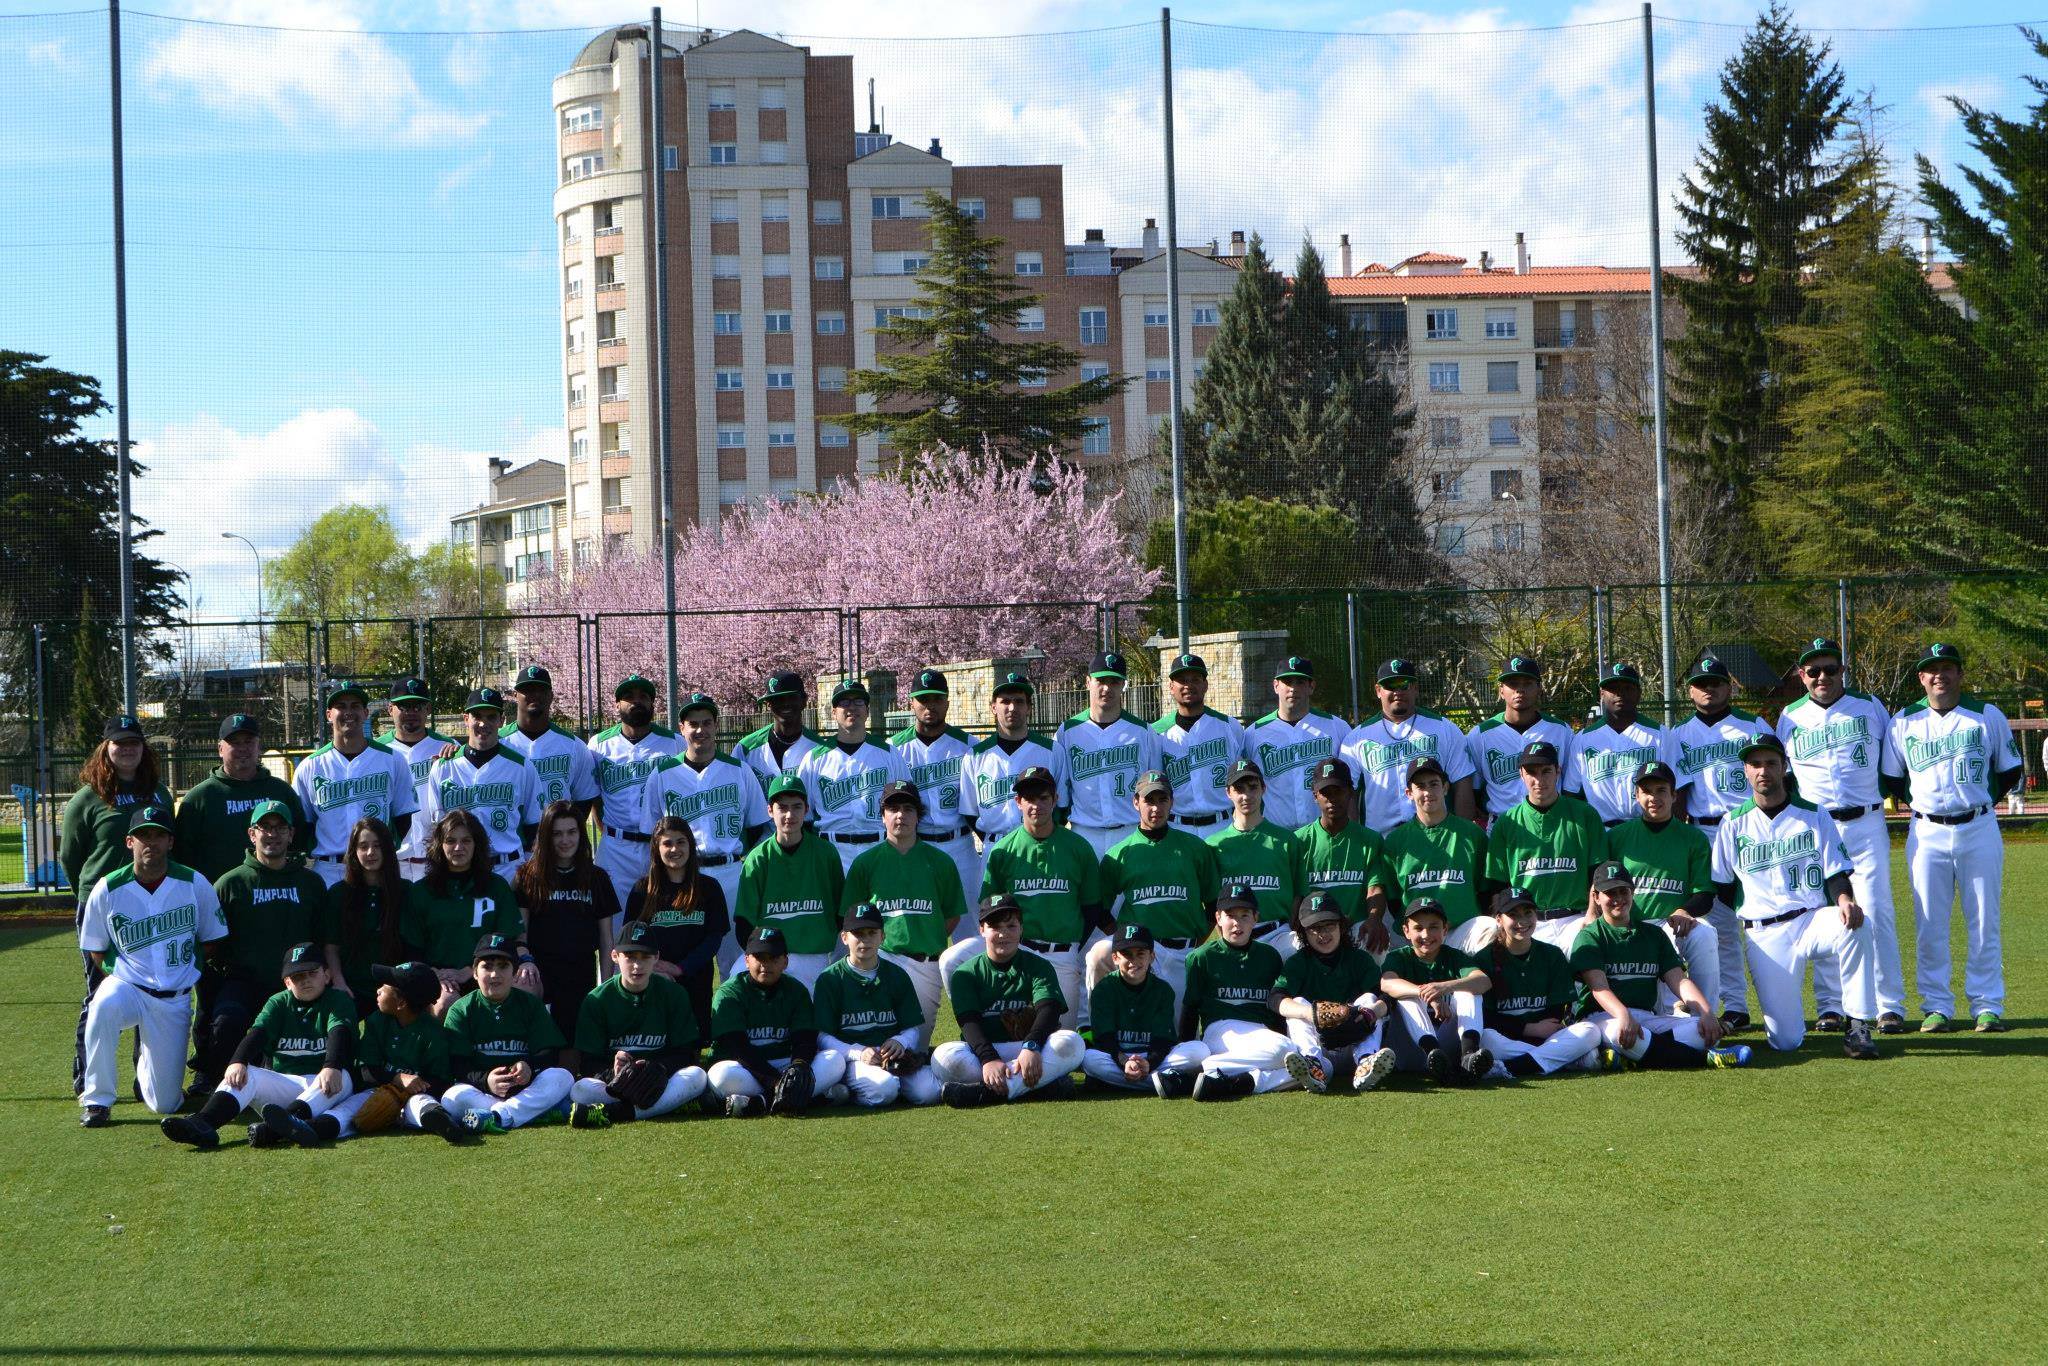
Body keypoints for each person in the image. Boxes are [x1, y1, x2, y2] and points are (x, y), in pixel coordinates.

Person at [1882, 641, 2024, 1034]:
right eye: (1931, 669)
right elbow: (1893, 778)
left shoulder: (1985, 715)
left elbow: (2010, 769)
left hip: (1979, 826)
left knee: (1984, 920)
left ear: (1960, 673)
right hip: (1926, 830)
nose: (1939, 675)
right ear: (1921, 678)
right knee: (1929, 922)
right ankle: (1937, 1007)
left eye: (1947, 668)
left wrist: (1978, 802)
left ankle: (1987, 1005)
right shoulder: (1904, 721)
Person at [1711, 733, 1880, 1059]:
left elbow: (1835, 872)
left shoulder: (1815, 814)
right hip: (1765, 933)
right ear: (1745, 770)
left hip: (1810, 918)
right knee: (1786, 1041)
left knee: (1857, 924)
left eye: (1771, 763)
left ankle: (1857, 1025)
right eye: (1755, 764)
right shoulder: (1732, 823)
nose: (1763, 771)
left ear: (1784, 766)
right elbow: (1722, 885)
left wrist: (1844, 899)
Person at [1774, 637, 1898, 1034]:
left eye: (1830, 668)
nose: (1822, 676)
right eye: (1813, 670)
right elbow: (1784, 776)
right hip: (1817, 827)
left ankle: (1888, 1005)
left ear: (1843, 670)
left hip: (1866, 821)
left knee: (1876, 910)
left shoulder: (1870, 706)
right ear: (1801, 675)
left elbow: (1894, 765)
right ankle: (1830, 1005)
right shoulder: (1789, 716)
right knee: (1823, 912)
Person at [76, 804, 228, 1127]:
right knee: (102, 1006)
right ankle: (97, 1099)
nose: (151, 843)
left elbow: (212, 939)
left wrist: (190, 967)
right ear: (129, 842)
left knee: (165, 1104)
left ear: (170, 842)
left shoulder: (193, 883)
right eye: (143, 836)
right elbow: (97, 950)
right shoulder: (108, 888)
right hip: (128, 987)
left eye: (159, 835)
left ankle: (148, 1062)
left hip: (174, 997)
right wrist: (124, 975)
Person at [61, 714, 174, 1096]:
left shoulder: (158, 794)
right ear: (105, 749)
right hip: (105, 906)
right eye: (119, 743)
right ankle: (88, 1079)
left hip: (153, 903)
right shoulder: (87, 798)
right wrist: (96, 893)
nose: (127, 749)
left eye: (134, 743)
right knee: (101, 990)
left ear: (144, 749)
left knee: (153, 987)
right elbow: (71, 857)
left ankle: (147, 1079)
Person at [193, 799, 327, 1100]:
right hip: (244, 981)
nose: (273, 834)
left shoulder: (310, 883)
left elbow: (324, 938)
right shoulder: (231, 883)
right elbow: (211, 943)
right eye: (265, 828)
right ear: (252, 834)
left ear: (292, 834)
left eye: (280, 828)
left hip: (298, 984)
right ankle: (219, 1079)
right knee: (226, 1022)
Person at [162, 942, 356, 1150]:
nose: (306, 980)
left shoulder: (337, 999)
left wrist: (331, 1065)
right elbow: (258, 1034)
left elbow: (339, 1032)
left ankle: (284, 1124)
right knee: (247, 1074)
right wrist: (238, 1061)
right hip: (286, 1084)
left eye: (312, 973)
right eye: (298, 976)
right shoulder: (279, 1002)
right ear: (287, 982)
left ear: (327, 975)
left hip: (327, 1087)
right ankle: (203, 1124)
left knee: (342, 1075)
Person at [958, 764, 1103, 1029]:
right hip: (1017, 954)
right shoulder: (1002, 851)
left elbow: (1092, 907)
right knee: (1011, 1032)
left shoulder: (1079, 847)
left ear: (1056, 799)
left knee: (1062, 1038)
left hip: (1061, 953)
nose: (1036, 805)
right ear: (1018, 802)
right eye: (1028, 799)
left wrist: (1072, 946)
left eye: (1043, 798)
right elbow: (989, 909)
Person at [1669, 655, 1769, 1022]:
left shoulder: (1752, 725)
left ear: (1729, 686)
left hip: (1748, 828)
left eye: (1715, 682)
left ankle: (1769, 998)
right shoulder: (1678, 734)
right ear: (1690, 690)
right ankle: (1736, 1006)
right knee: (1720, 921)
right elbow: (1677, 792)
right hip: (1701, 830)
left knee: (1762, 915)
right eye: (1701, 683)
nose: (1708, 688)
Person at [641, 690, 769, 975]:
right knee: (682, 956)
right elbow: (651, 831)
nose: (700, 730)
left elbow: (757, 825)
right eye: (693, 723)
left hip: (730, 872)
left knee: (735, 958)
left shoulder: (739, 770)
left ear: (716, 725)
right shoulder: (662, 773)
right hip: (681, 876)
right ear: (682, 728)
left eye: (707, 722)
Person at [1571, 861, 1740, 1070]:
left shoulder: (1653, 935)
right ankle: (1703, 1059)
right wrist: (1623, 1015)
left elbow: (1679, 981)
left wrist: (1705, 1012)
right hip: (1603, 1017)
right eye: (1610, 893)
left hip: (1646, 1017)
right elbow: (1599, 989)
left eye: (1623, 891)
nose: (1618, 899)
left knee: (1704, 1031)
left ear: (1632, 892)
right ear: (1596, 897)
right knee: (1620, 1033)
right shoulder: (1590, 936)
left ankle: (1627, 1056)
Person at [842, 779, 966, 1045]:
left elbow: (952, 915)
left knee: (916, 1051)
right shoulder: (866, 863)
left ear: (918, 815)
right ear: (883, 816)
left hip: (925, 964)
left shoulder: (941, 862)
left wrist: (924, 937)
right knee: (877, 1047)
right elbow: (851, 918)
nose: (900, 815)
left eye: (908, 809)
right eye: (893, 808)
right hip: (881, 962)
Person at [932, 895, 1085, 1107]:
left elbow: (1049, 1010)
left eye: (1011, 926)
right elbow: (969, 1023)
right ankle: (1041, 1086)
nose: (1003, 933)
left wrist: (1032, 1046)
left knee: (1072, 1042)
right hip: (983, 1051)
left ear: (1021, 929)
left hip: (1026, 1048)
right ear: (982, 930)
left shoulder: (1038, 966)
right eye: (995, 926)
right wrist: (989, 1059)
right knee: (943, 1057)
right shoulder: (965, 973)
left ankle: (986, 1093)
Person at [1089, 771, 1220, 1013]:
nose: (1156, 808)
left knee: (1178, 1036)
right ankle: (1095, 1026)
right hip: (1137, 952)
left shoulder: (1195, 848)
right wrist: (1124, 939)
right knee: (1097, 954)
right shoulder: (1120, 853)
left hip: (1182, 951)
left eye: (1162, 800)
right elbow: (1100, 910)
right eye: (1149, 800)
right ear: (1136, 802)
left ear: (1172, 802)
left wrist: (1196, 943)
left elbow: (1214, 906)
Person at [1167, 883, 1307, 1101]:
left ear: (1255, 918)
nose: (1236, 923)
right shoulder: (1201, 957)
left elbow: (1274, 1008)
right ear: (1218, 918)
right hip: (1220, 1030)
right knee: (1286, 1051)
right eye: (1230, 915)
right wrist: (1187, 1049)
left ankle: (1235, 1081)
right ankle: (1207, 1066)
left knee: (1305, 1068)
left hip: (1260, 1033)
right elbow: (1191, 1007)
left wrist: (1278, 1033)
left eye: (1244, 915)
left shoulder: (1269, 956)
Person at [1602, 761, 1723, 1011]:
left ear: (1674, 795)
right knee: (1657, 1010)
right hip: (1632, 926)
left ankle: (1706, 1018)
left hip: (1674, 924)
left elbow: (1705, 894)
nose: (1654, 798)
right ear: (1636, 796)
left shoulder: (1693, 837)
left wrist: (1684, 911)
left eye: (1661, 790)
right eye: (1647, 791)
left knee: (1705, 934)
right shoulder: (1617, 836)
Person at [566, 922, 709, 1127]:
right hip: (617, 1085)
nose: (637, 965)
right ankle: (668, 1105)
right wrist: (613, 1072)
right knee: (580, 1090)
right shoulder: (597, 1000)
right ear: (615, 956)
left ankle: (621, 1113)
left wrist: (658, 1068)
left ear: (656, 958)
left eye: (645, 957)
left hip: (662, 1081)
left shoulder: (674, 994)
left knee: (697, 1076)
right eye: (630, 956)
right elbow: (588, 1063)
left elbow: (686, 1053)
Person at [438, 933, 576, 1135]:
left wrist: (530, 1066)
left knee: (562, 1076)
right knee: (452, 1097)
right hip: (483, 1092)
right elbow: (457, 1065)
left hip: (525, 1089)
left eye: (503, 966)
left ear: (515, 972)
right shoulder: (461, 1009)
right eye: (487, 966)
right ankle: (527, 1113)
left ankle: (496, 1117)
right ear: (475, 972)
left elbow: (549, 1053)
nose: (495, 974)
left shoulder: (530, 1005)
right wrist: (486, 1080)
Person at [958, 670, 1064, 923]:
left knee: (1040, 920)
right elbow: (970, 812)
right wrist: (995, 840)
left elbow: (1061, 805)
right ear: (993, 707)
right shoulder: (975, 755)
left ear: (1029, 707)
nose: (1012, 707)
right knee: (989, 923)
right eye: (1005, 701)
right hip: (994, 847)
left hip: (1041, 848)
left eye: (1019, 701)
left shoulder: (1051, 750)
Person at [706, 927, 846, 1117]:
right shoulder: (730, 992)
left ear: (785, 961)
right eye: (760, 957)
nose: (766, 964)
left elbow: (804, 1039)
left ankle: (760, 1103)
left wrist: (798, 1067)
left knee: (835, 1060)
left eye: (774, 958)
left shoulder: (796, 990)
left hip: (784, 1064)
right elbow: (737, 1048)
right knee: (719, 1076)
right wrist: (776, 1082)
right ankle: (811, 1098)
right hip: (745, 1068)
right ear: (747, 960)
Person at [321, 961, 468, 1143]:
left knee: (422, 1104)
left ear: (401, 1002)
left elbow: (442, 1081)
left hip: (417, 1094)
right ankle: (319, 1126)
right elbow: (367, 1072)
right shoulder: (376, 1021)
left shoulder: (433, 1032)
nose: (378, 990)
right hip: (378, 1088)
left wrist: (408, 1091)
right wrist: (397, 1079)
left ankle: (441, 1122)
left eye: (385, 986)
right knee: (350, 1107)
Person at [292, 680, 419, 889]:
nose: (348, 712)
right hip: (330, 869)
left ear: (366, 713)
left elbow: (403, 816)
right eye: (341, 706)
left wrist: (382, 850)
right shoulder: (310, 766)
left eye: (355, 706)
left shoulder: (392, 760)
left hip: (376, 867)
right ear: (328, 715)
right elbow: (303, 824)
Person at [1481, 741, 1606, 952]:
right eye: (1532, 772)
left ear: (1558, 771)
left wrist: (1592, 915)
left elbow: (1598, 873)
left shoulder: (1585, 814)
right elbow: (1497, 885)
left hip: (1575, 918)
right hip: (1527, 923)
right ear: (1521, 773)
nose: (1539, 780)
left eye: (1546, 771)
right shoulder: (1507, 822)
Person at [400, 811, 527, 1017]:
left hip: (488, 972)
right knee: (447, 1003)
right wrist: (434, 974)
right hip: (439, 979)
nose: (459, 847)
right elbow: (412, 949)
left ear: (477, 844)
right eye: (451, 841)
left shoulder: (496, 887)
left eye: (466, 840)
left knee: (529, 987)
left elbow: (509, 941)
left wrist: (469, 971)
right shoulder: (421, 892)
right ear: (439, 845)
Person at [812, 903, 941, 1107]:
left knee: (929, 1093)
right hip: (851, 1060)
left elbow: (912, 1028)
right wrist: (858, 1053)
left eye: (872, 933)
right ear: (844, 937)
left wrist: (901, 1041)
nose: (865, 940)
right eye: (858, 933)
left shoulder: (897, 975)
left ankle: (867, 1088)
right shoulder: (830, 979)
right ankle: (842, 1088)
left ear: (882, 936)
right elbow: (822, 1036)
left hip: (892, 1057)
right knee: (884, 1089)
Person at [513, 801, 620, 1042]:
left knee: (573, 1046)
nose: (565, 840)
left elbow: (606, 939)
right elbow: (521, 933)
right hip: (539, 970)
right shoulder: (526, 876)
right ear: (545, 836)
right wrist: (526, 961)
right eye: (557, 833)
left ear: (581, 834)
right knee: (543, 1042)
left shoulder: (597, 878)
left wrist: (606, 986)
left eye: (572, 832)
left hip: (580, 970)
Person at [1272, 892, 1398, 1095]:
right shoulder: (1298, 962)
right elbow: (1276, 998)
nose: (1323, 934)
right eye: (1315, 928)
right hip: (1321, 1049)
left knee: (1369, 999)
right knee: (1296, 1003)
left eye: (1329, 925)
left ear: (1341, 925)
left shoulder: (1359, 959)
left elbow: (1387, 997)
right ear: (1303, 932)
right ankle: (1313, 1066)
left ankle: (1367, 1063)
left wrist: (1370, 1013)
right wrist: (1310, 1013)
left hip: (1354, 1043)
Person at [417, 688, 543, 882]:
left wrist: (527, 867)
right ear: (465, 718)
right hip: (458, 870)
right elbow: (438, 828)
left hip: (508, 869)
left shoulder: (521, 766)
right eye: (477, 716)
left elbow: (534, 825)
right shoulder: (443, 767)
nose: (483, 724)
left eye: (491, 717)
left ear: (501, 720)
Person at [732, 773, 842, 993]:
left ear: (807, 810)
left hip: (814, 956)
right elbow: (744, 923)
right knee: (734, 986)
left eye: (796, 807)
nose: (789, 814)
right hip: (769, 955)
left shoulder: (826, 853)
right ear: (770, 811)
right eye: (782, 807)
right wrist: (763, 959)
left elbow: (840, 911)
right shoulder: (758, 858)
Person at [1476, 889, 1604, 1078]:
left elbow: (1556, 1013)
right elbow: (1486, 1017)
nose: (1522, 921)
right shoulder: (1483, 959)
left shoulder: (1552, 954)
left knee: (1591, 1031)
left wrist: (1540, 1032)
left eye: (1528, 913)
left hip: (1547, 1038)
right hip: (1507, 1039)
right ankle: (1566, 1060)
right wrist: (1528, 1028)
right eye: (1513, 915)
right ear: (1498, 919)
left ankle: (1509, 1068)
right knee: (1486, 1039)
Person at [1341, 657, 1477, 834]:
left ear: (1415, 688)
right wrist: (1356, 838)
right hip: (1379, 839)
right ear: (1378, 690)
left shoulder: (1445, 729)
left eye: (1404, 684)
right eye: (1390, 685)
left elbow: (1462, 782)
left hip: (1438, 836)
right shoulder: (1357, 738)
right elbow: (1348, 794)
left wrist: (1462, 834)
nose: (1398, 692)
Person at [624, 815, 730, 1040]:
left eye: (681, 842)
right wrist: (654, 966)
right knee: (657, 1041)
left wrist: (681, 968)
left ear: (691, 845)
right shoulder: (642, 890)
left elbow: (714, 938)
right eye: (667, 843)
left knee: (693, 1045)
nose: (674, 849)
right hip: (654, 980)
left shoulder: (709, 888)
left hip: (695, 979)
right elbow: (630, 940)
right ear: (656, 848)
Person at [172, 711, 309, 883]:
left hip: (275, 893)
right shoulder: (200, 798)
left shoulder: (281, 791)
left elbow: (299, 841)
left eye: (248, 742)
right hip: (218, 896)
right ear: (220, 749)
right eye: (235, 743)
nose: (243, 748)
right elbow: (182, 855)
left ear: (258, 747)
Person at [587, 674, 683, 909]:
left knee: (663, 919)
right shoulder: (598, 745)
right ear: (617, 705)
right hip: (615, 846)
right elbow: (593, 796)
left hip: (660, 845)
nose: (636, 701)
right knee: (614, 921)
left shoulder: (675, 743)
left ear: (653, 704)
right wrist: (608, 830)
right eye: (628, 697)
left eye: (643, 697)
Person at [1053, 651, 1162, 858]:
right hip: (1083, 832)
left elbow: (1155, 783)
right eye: (1101, 680)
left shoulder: (1143, 731)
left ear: (1123, 685)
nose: (1106, 688)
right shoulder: (1067, 731)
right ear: (1088, 682)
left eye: (1114, 682)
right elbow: (1061, 789)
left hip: (1131, 831)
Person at [890, 668, 983, 908]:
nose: (930, 705)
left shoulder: (969, 745)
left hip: (960, 845)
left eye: (937, 698)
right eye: (923, 699)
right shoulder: (894, 748)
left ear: (947, 702)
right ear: (911, 703)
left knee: (970, 923)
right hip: (914, 845)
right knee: (917, 917)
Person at [797, 678, 912, 873]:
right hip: (831, 850)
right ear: (834, 712)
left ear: (867, 710)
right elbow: (803, 815)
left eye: (858, 701)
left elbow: (909, 803)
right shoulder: (814, 759)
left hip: (879, 848)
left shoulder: (889, 754)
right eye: (844, 702)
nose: (852, 707)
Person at [1082, 923, 1210, 1096]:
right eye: (1127, 954)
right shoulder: (1104, 989)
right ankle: (1163, 1081)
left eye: (1140, 954)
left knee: (1199, 1050)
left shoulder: (1163, 990)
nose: (1134, 961)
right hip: (1118, 1057)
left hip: (1152, 1058)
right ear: (1115, 958)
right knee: (1088, 1059)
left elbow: (1163, 1040)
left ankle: (1118, 1083)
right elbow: (1105, 1039)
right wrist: (1124, 1062)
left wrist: (1149, 1063)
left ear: (1151, 956)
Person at [1376, 897, 1494, 1084]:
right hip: (1410, 1049)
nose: (1426, 934)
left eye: (1433, 927)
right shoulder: (1398, 957)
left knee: (1468, 991)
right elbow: (1387, 983)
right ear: (1406, 931)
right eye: (1418, 928)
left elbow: (1484, 981)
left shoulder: (1453, 956)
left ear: (1445, 930)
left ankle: (1468, 1056)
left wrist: (1444, 987)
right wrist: (1428, 994)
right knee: (1408, 998)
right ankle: (1432, 1052)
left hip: (1446, 1052)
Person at [1381, 758, 1489, 953]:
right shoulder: (1395, 841)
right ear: (1409, 793)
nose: (1428, 792)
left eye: (1434, 784)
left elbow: (1485, 889)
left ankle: (1479, 981)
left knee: (1488, 927)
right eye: (1420, 786)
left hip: (1461, 931)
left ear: (1446, 788)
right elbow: (1394, 899)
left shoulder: (1471, 834)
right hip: (1418, 937)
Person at [1290, 758, 1395, 949]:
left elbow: (1375, 889)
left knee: (1375, 940)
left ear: (1350, 792)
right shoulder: (1298, 841)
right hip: (1313, 927)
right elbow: (1295, 894)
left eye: (1338, 790)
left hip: (1355, 926)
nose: (1332, 798)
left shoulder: (1370, 840)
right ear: (1315, 796)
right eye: (1325, 793)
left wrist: (1374, 918)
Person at [1206, 758, 1307, 951]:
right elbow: (1211, 900)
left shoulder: (1286, 840)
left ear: (1263, 788)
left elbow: (1298, 893)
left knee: (1301, 951)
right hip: (1233, 935)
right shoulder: (1213, 845)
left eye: (1253, 787)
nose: (1246, 795)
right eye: (1239, 789)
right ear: (1228, 792)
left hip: (1278, 934)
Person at [1242, 655, 1350, 833]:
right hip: (1274, 833)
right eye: (1287, 682)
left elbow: (1349, 785)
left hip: (1324, 832)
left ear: (1311, 686)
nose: (1293, 688)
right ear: (1276, 685)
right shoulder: (1253, 734)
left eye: (1300, 682)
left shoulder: (1336, 727)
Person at [1465, 656, 1576, 827]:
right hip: (1502, 822)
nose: (1520, 690)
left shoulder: (1561, 731)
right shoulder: (1480, 734)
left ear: (1539, 688)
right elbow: (1474, 788)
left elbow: (1570, 784)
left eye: (1527, 683)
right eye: (1513, 684)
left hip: (1552, 821)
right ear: (1501, 690)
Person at [1566, 663, 1676, 826]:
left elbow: (1676, 788)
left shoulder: (1660, 734)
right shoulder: (1583, 739)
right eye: (1613, 689)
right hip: (1600, 830)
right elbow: (1571, 793)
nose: (1620, 694)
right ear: (1602, 694)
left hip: (1647, 828)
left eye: (1627, 688)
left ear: (1639, 693)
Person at [1151, 651, 1246, 837]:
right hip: (1177, 827)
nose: (1188, 685)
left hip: (1223, 824)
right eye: (1182, 680)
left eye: (1195, 679)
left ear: (1205, 685)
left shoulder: (1228, 726)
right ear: (1171, 686)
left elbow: (1244, 777)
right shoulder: (1156, 732)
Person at [323, 818, 404, 1017]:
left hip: (393, 987)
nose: (370, 852)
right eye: (363, 846)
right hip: (350, 986)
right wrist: (339, 982)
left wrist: (396, 986)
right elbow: (331, 947)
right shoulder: (338, 893)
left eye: (377, 846)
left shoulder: (405, 892)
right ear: (353, 851)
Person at [499, 664, 598, 817]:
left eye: (541, 690)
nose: (535, 695)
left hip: (557, 838)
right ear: (515, 696)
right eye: (528, 690)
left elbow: (584, 800)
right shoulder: (498, 742)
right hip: (514, 839)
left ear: (551, 696)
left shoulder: (574, 746)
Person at [382, 678, 454, 882]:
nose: (411, 712)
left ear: (428, 708)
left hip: (437, 860)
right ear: (390, 709)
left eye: (418, 705)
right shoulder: (377, 752)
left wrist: (459, 755)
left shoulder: (448, 747)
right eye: (404, 706)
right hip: (393, 862)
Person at [734, 669, 822, 794]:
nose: (785, 704)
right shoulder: (745, 748)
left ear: (804, 701)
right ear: (768, 704)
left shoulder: (819, 748)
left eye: (791, 697)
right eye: (778, 699)